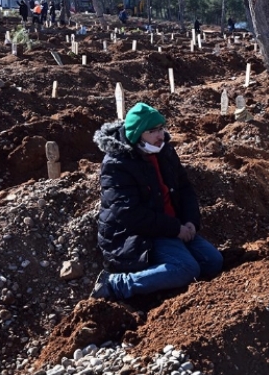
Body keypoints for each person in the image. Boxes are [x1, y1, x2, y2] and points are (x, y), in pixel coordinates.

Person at [91, 103, 224, 301]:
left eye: (161, 128)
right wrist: (174, 229)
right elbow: (128, 214)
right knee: (187, 268)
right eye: (153, 131)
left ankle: (164, 279)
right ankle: (115, 284)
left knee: (214, 261)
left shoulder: (164, 151)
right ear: (137, 134)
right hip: (136, 235)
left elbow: (185, 188)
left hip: (170, 226)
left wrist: (190, 222)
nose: (161, 135)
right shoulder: (117, 164)